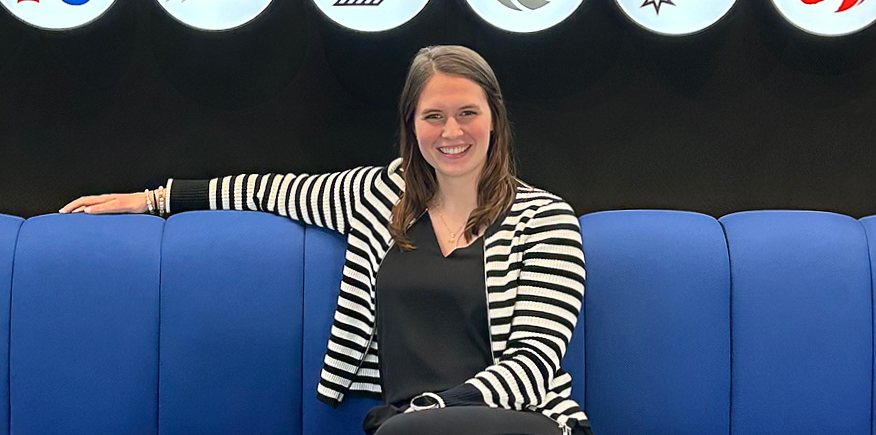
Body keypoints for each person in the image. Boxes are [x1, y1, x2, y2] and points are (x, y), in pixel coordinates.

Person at [59, 45, 593, 435]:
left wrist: (435, 409)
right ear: (412, 126)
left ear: (494, 119)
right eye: (433, 116)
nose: (451, 132)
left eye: (467, 113)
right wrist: (154, 199)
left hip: (519, 420)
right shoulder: (376, 197)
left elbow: (534, 361)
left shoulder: (544, 218)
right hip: (408, 427)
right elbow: (270, 191)